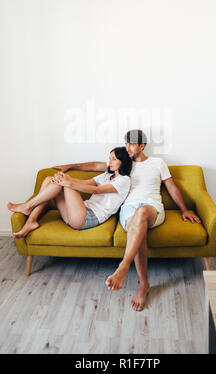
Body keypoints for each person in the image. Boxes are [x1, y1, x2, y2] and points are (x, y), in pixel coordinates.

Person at [52, 129, 201, 312]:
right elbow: (94, 166)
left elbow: (171, 186)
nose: (127, 147)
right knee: (137, 228)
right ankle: (144, 285)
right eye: (126, 143)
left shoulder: (157, 163)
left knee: (142, 213)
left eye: (131, 144)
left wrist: (184, 209)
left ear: (142, 146)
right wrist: (69, 166)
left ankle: (123, 267)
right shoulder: (124, 164)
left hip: (152, 207)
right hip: (128, 211)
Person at [7, 147, 132, 239]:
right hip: (74, 214)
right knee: (49, 179)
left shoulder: (124, 180)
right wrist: (63, 177)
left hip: (88, 218)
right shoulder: (105, 176)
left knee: (65, 183)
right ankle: (31, 221)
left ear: (123, 162)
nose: (109, 162)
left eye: (113, 159)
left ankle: (28, 206)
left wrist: (67, 182)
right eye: (109, 158)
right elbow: (85, 183)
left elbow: (95, 190)